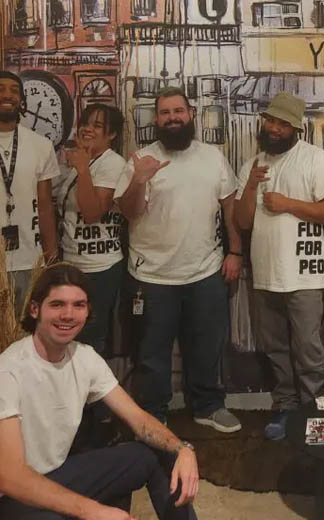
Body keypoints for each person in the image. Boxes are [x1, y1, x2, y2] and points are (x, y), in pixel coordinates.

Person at [0, 263, 203, 520]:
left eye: (78, 305)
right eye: (57, 304)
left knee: (155, 455)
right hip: (10, 497)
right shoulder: (8, 370)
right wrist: (91, 510)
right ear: (35, 310)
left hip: (55, 476)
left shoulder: (85, 357)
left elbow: (138, 419)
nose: (68, 314)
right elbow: (11, 476)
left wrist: (183, 449)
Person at [114, 86, 241, 432]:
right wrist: (139, 180)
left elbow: (229, 207)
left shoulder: (213, 157)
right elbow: (129, 212)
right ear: (156, 119)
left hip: (205, 272)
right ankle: (154, 415)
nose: (173, 118)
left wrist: (235, 251)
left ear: (191, 114)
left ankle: (208, 407)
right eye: (165, 113)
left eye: (178, 111)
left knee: (207, 347)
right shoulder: (140, 160)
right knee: (152, 354)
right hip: (152, 276)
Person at [235, 92, 324, 440]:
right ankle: (286, 407)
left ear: (297, 128)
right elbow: (243, 221)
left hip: (305, 274)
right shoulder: (251, 166)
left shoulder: (316, 160)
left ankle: (314, 413)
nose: (274, 128)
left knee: (309, 350)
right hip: (265, 274)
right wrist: (251, 185)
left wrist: (287, 204)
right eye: (270, 121)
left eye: (282, 123)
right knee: (276, 349)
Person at [59, 104, 126, 356]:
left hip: (99, 267)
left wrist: (83, 169)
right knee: (72, 335)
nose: (87, 129)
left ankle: (92, 384)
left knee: (91, 340)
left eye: (97, 125)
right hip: (73, 262)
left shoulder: (112, 163)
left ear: (112, 134)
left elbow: (91, 214)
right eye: (85, 123)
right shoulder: (82, 159)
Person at [0, 70, 59, 309]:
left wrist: (51, 258)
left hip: (28, 260)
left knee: (26, 326)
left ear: (22, 101)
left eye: (14, 91)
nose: (7, 95)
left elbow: (45, 207)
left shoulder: (41, 145)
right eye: (1, 89)